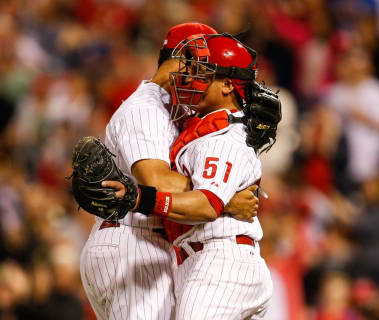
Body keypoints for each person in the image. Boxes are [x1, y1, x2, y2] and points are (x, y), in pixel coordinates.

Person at [79, 23, 259, 320]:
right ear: (181, 58)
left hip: (148, 244)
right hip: (134, 241)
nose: (198, 73)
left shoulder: (175, 109)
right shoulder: (146, 109)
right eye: (198, 63)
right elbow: (157, 181)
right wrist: (223, 198)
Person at [119, 33, 275, 320]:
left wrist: (139, 199)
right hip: (207, 263)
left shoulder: (223, 138)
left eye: (203, 73)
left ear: (229, 85)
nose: (190, 79)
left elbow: (205, 206)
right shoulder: (206, 131)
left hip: (220, 265)